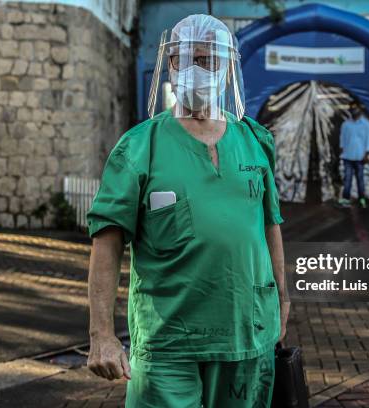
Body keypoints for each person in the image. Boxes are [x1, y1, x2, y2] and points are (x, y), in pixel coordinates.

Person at [85, 14, 290, 408]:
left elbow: (270, 226)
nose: (198, 69)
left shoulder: (254, 141)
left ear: (227, 68)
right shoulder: (139, 147)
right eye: (187, 58)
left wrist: (282, 300)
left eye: (209, 59)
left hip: (247, 340)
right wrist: (102, 335)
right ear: (171, 64)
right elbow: (106, 241)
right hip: (168, 346)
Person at [338, 102, 369, 208]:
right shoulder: (345, 124)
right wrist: (341, 152)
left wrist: (366, 154)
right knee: (347, 179)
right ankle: (346, 200)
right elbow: (342, 140)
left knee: (360, 179)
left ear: (360, 110)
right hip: (347, 156)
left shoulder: (366, 124)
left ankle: (362, 200)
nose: (354, 111)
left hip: (360, 156)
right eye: (352, 109)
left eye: (356, 109)